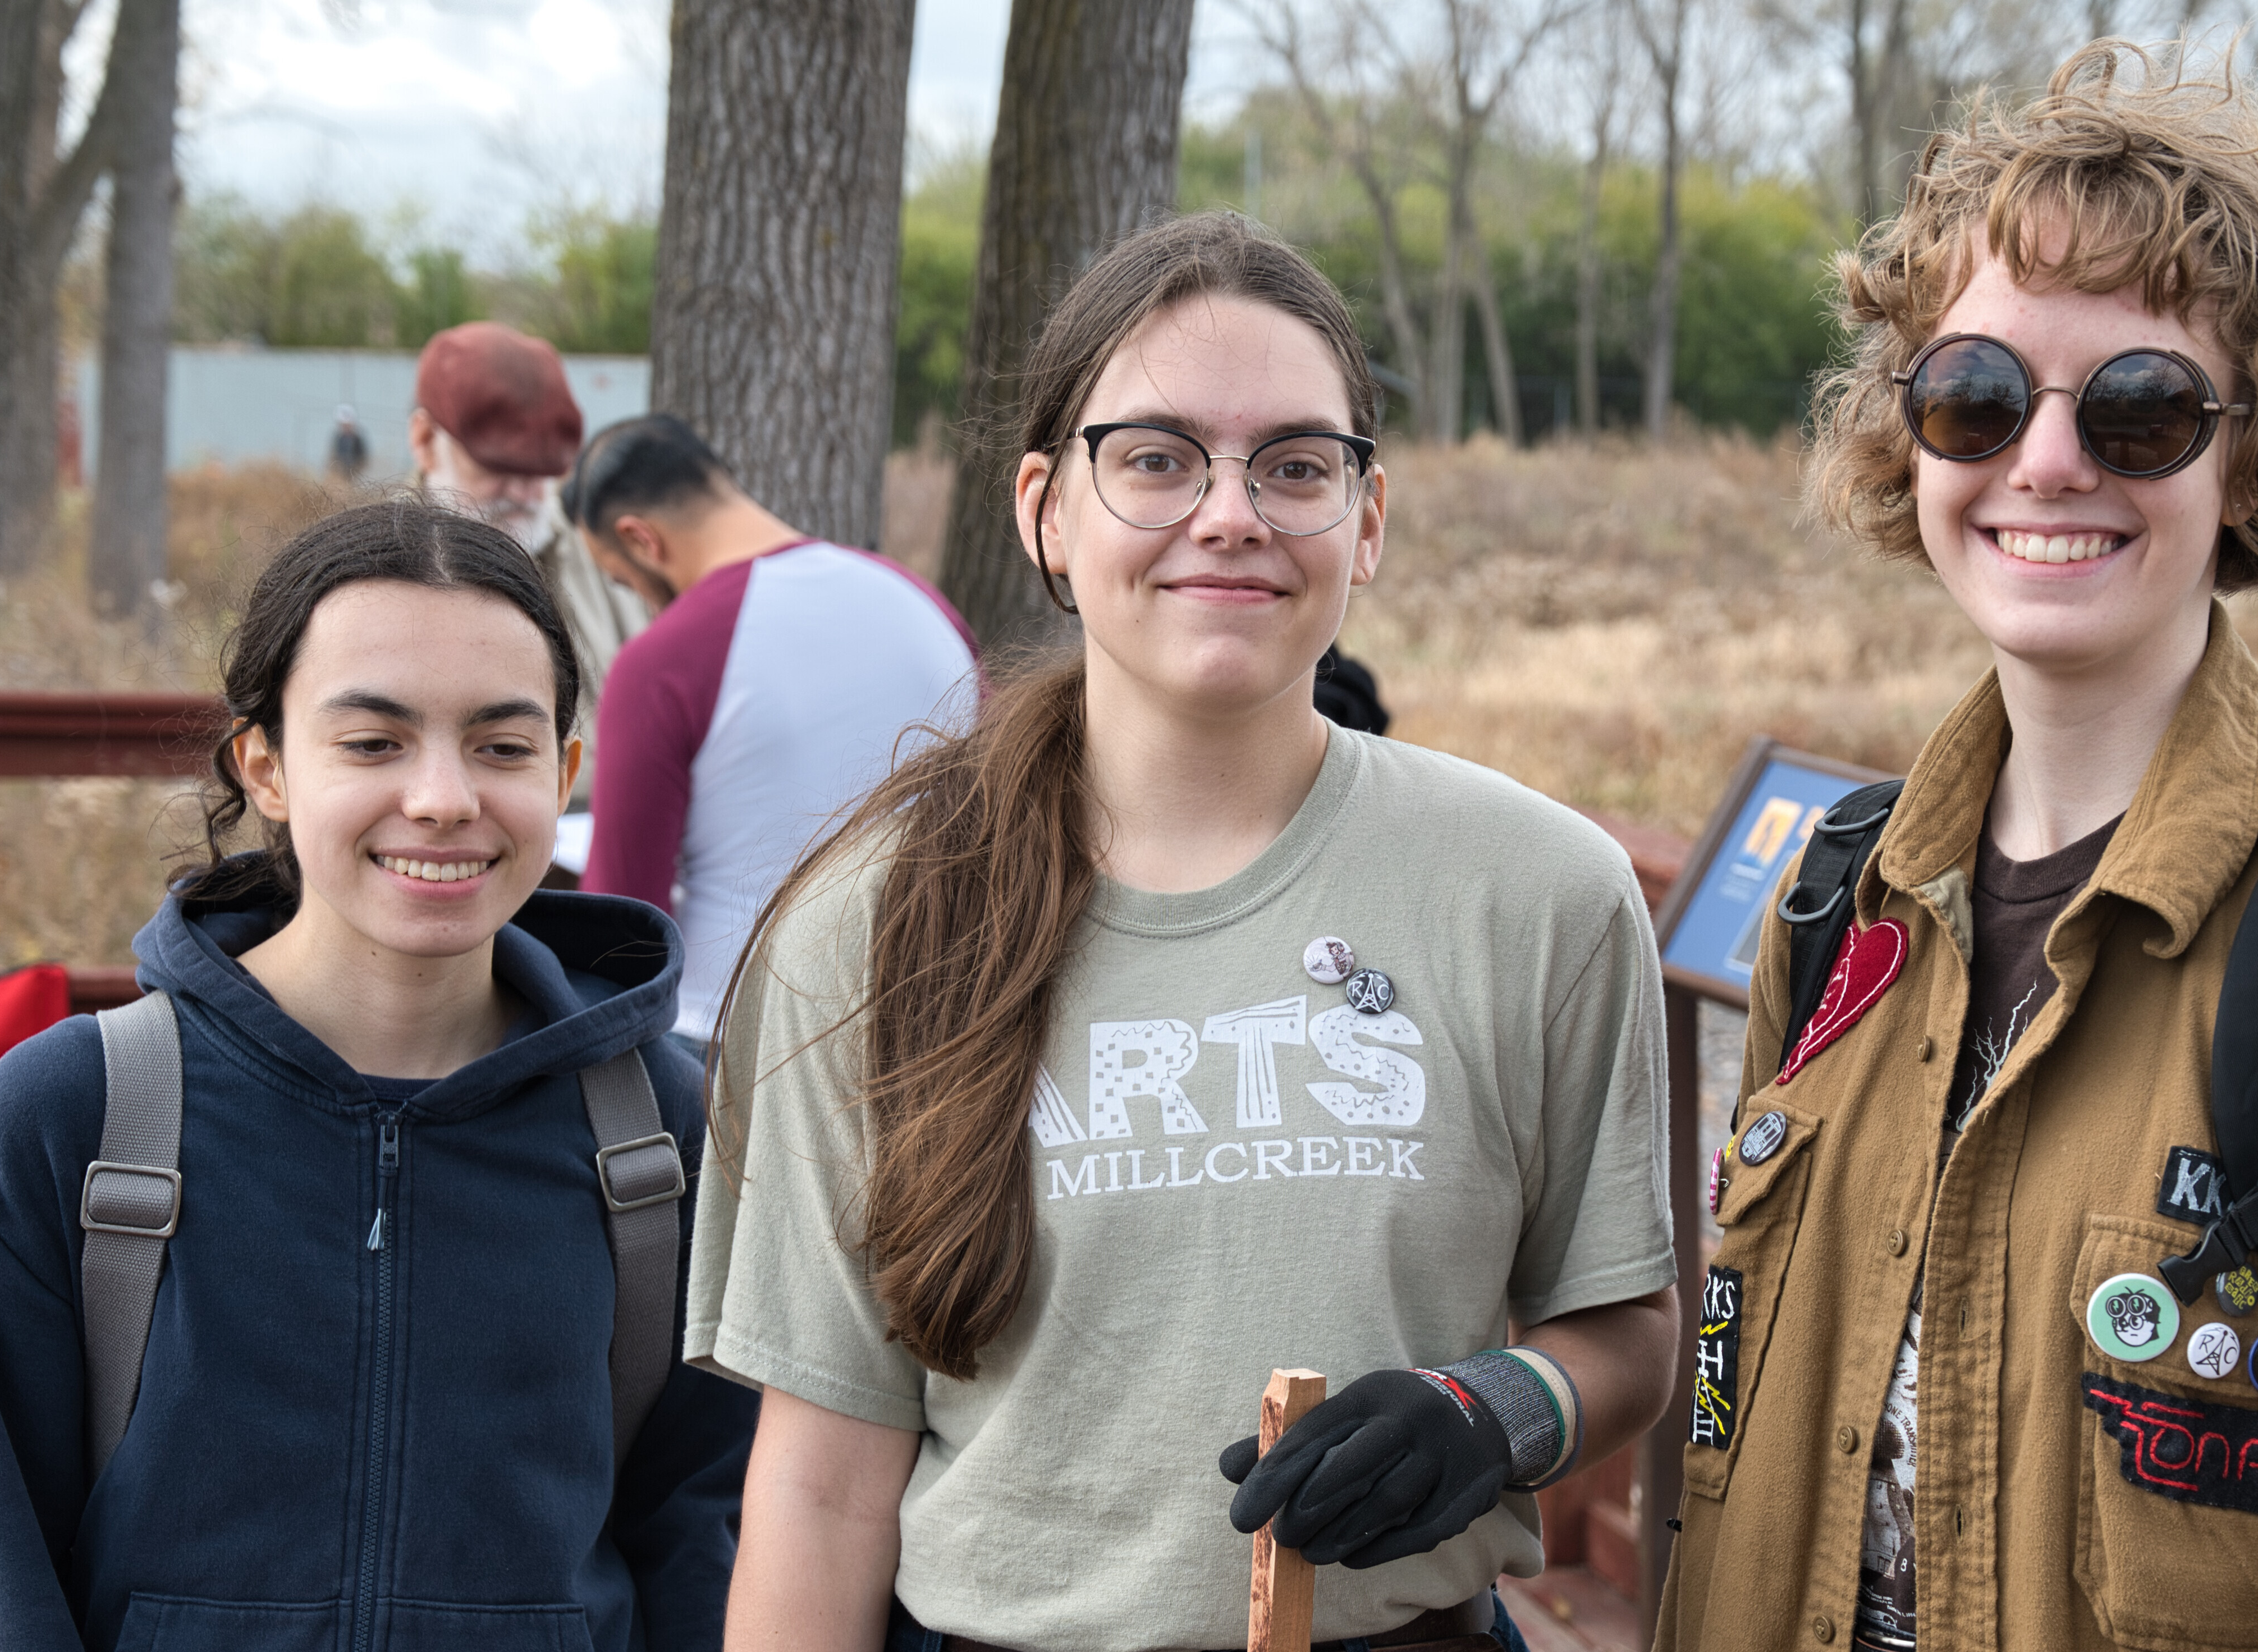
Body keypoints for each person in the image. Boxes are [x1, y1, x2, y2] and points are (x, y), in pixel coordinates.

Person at [1654, 41, 2258, 1652]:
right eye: (1976, 394)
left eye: (2141, 409)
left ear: (2247, 454)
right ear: (1913, 438)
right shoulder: (1838, 903)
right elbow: (1719, 1414)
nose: (2044, 461)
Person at [689, 211, 1680, 1651]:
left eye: (1295, 465)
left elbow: (1634, 1334)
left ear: (1368, 520)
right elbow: (822, 1484)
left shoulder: (1540, 891)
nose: (1230, 513)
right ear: (1046, 510)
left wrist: (1495, 1407)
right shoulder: (869, 925)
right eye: (1156, 459)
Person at [0, 498, 757, 1649]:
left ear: (565, 769)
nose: (443, 798)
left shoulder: (663, 1135)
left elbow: (708, 1541)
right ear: (265, 765)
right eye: (373, 742)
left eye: (503, 746)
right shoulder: (77, 1116)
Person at [566, 412, 980, 1057]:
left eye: (625, 581)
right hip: (926, 1022)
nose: (644, 603)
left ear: (640, 540)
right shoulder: (926, 607)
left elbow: (622, 924)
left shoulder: (663, 661)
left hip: (726, 1036)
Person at [411, 320, 650, 791]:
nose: (524, 493)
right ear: (425, 442)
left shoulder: (599, 548)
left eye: (543, 471)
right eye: (498, 468)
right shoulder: (365, 574)